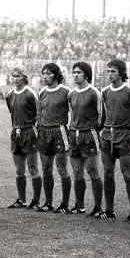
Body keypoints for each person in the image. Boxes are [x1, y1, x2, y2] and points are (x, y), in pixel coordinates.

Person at [99, 59, 130, 220]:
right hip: (107, 136)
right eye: (108, 71)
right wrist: (101, 131)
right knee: (108, 173)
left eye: (113, 71)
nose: (110, 74)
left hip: (124, 135)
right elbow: (101, 114)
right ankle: (109, 210)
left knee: (127, 174)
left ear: (121, 73)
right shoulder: (104, 92)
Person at [67, 62, 104, 216]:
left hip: (89, 135)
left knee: (92, 170)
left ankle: (98, 207)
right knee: (77, 172)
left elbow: (101, 116)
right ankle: (79, 206)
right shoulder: (71, 94)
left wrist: (93, 131)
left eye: (79, 73)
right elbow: (71, 114)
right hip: (74, 135)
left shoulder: (95, 93)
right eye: (74, 72)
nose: (75, 75)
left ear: (86, 75)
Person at [36, 63, 72, 213]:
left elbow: (74, 113)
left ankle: (64, 204)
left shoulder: (66, 92)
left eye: (49, 73)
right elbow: (39, 114)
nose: (45, 76)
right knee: (46, 168)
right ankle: (48, 202)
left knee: (62, 167)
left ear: (56, 75)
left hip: (59, 132)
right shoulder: (42, 92)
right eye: (43, 73)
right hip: (44, 132)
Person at [5, 64, 42, 209]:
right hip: (16, 133)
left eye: (18, 76)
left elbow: (39, 114)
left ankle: (36, 200)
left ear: (24, 77)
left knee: (33, 168)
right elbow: (11, 112)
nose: (15, 79)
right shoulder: (9, 95)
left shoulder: (30, 94)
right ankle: (21, 200)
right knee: (19, 170)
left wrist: (35, 131)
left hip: (29, 133)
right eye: (13, 76)